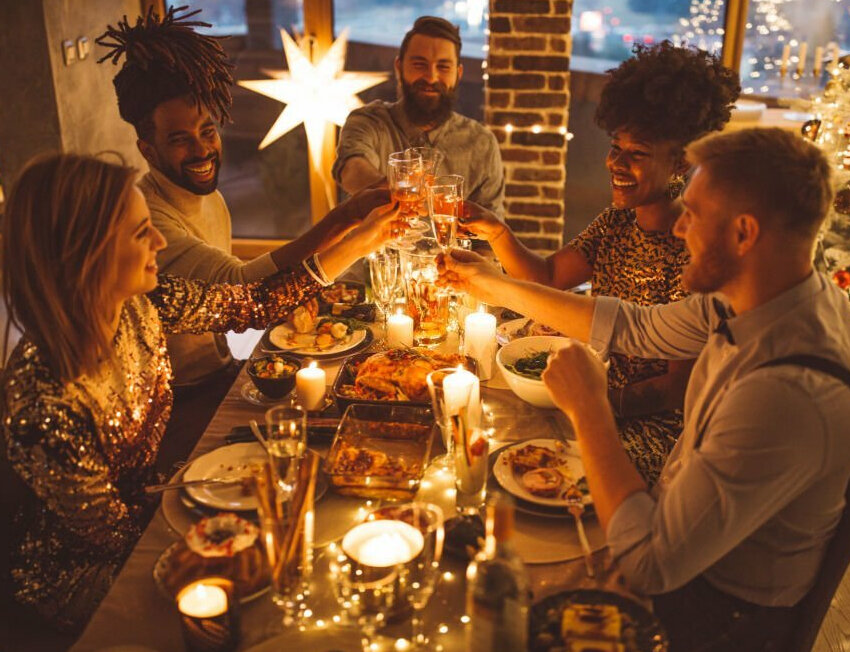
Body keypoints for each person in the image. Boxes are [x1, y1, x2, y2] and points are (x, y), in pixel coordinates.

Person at [439, 128, 850, 651]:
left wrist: (590, 407)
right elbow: (633, 327)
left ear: (744, 234)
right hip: (676, 539)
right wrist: (490, 284)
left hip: (718, 616)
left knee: (495, 600)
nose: (680, 229)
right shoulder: (759, 294)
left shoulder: (789, 393)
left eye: (694, 214)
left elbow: (652, 563)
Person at [0, 152, 400, 631]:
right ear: (83, 253)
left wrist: (361, 239)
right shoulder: (42, 400)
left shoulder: (140, 302)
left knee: (311, 519)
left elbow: (253, 303)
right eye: (138, 232)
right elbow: (112, 539)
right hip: (86, 574)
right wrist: (233, 538)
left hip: (155, 501)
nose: (160, 241)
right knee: (285, 588)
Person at [461, 43, 740, 485]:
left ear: (682, 161)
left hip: (655, 427)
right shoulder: (617, 220)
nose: (616, 163)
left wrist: (592, 403)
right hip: (594, 395)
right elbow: (548, 276)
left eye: (638, 153)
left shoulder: (694, 251)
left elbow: (675, 389)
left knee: (538, 470)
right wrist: (496, 232)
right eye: (616, 147)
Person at [97, 6, 389, 386]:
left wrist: (288, 294)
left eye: (207, 131)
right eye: (179, 139)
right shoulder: (148, 222)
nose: (202, 150)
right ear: (148, 150)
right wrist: (348, 222)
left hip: (223, 371)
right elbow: (242, 286)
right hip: (179, 395)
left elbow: (239, 292)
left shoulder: (211, 199)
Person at [332, 15, 505, 218]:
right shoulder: (368, 121)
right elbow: (353, 170)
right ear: (399, 68)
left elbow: (489, 238)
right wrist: (404, 198)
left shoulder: (482, 143)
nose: (431, 77)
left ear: (458, 74)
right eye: (419, 64)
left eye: (443, 67)